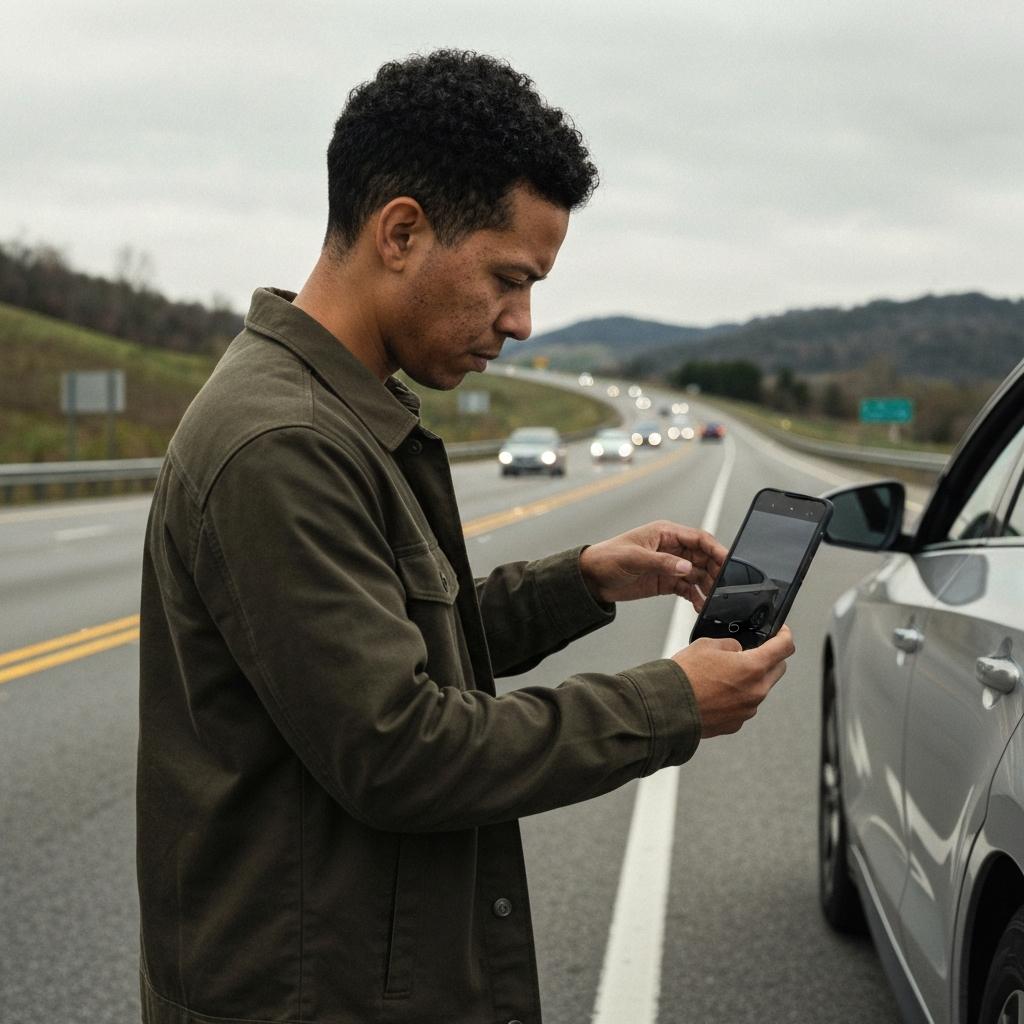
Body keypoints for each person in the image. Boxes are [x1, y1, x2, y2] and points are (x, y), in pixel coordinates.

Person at [136, 49, 795, 1024]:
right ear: (401, 232)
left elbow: (382, 642)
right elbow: (399, 749)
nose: (522, 321)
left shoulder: (336, 411)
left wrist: (581, 580)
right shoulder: (286, 442)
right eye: (507, 278)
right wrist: (669, 701)